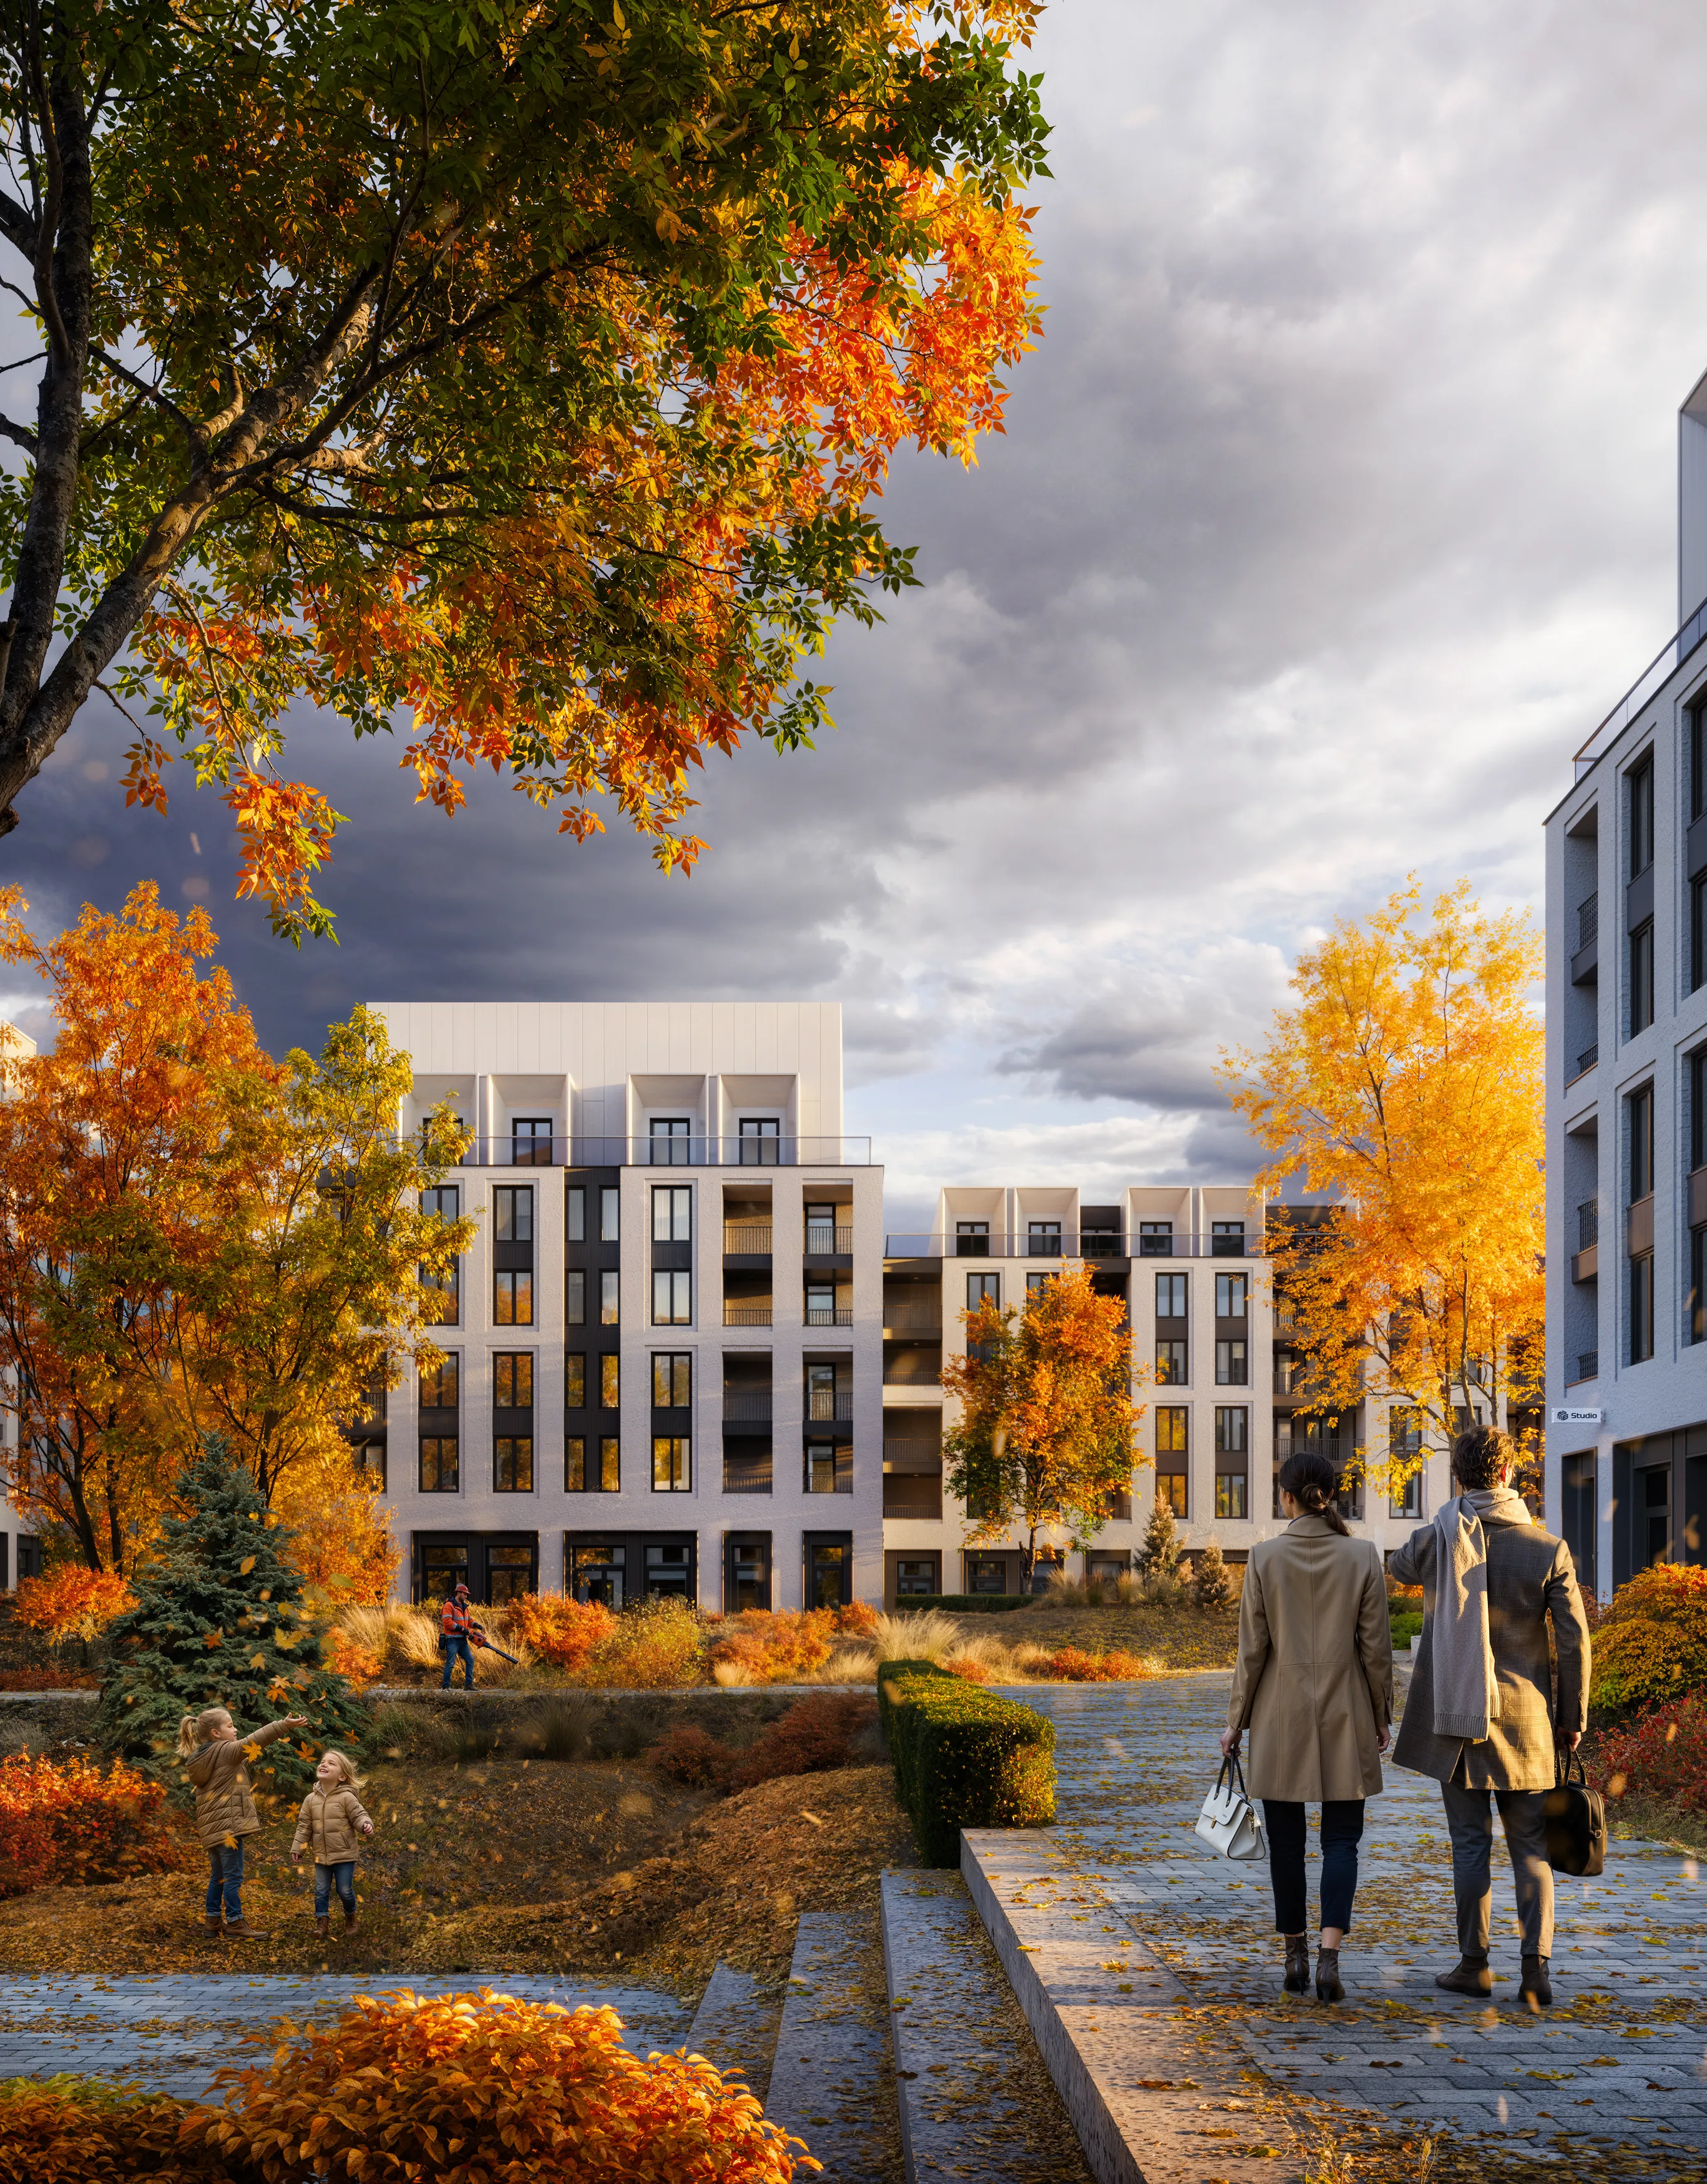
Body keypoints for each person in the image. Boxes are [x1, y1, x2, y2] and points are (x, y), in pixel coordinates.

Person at [1390, 1424, 1591, 2009]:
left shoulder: (1441, 1536)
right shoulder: (1546, 1548)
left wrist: (1449, 1516)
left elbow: (1400, 1566)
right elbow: (1575, 1640)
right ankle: (1536, 1971)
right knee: (1529, 1846)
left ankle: (1473, 1965)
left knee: (1470, 1845)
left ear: (1459, 1479)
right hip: (1527, 1724)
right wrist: (1572, 1716)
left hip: (1459, 1720)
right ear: (1508, 1475)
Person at [1221, 1448, 1393, 2003]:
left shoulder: (1264, 1558)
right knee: (1343, 1841)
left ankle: (1292, 1953)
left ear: (1285, 1496)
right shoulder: (1363, 1556)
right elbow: (1376, 1652)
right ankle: (1327, 1958)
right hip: (1346, 1713)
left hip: (1280, 1716)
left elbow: (1252, 1653)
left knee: (1287, 1844)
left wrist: (1235, 1725)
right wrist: (1380, 1715)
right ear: (1332, 1495)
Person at [179, 1704, 309, 1939]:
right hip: (228, 1828)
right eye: (230, 1726)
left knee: (218, 1875)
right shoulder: (225, 1751)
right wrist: (282, 1725)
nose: (235, 1729)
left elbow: (239, 1763)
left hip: (214, 1830)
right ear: (216, 1733)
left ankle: (212, 1921)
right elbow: (255, 1740)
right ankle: (235, 1923)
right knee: (233, 1876)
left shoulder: (206, 1757)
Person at [291, 1747, 375, 1938]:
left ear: (342, 1777)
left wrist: (365, 1825)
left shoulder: (346, 1797)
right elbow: (304, 1826)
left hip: (344, 1854)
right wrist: (298, 1848)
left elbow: (359, 1815)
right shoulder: (310, 1800)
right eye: (323, 1761)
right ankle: (322, 1925)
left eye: (331, 1763)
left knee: (344, 1890)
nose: (324, 1764)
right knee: (321, 1891)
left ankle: (351, 1917)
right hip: (321, 1855)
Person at [441, 1581, 478, 1689]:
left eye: (466, 1594)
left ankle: (469, 1685)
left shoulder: (465, 1607)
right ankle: (446, 1687)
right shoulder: (449, 1606)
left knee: (470, 1660)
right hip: (452, 1640)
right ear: (458, 1593)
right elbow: (447, 1622)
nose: (466, 1596)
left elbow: (468, 1620)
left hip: (463, 1640)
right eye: (465, 1594)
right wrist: (461, 1629)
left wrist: (475, 1624)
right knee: (451, 1663)